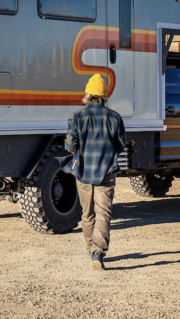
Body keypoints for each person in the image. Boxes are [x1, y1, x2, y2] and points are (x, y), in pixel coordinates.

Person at [62, 74, 126, 270]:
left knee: (87, 214)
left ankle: (91, 249)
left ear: (88, 95)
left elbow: (70, 146)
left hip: (83, 173)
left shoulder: (76, 116)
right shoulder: (115, 117)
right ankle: (98, 252)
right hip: (106, 173)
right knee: (103, 213)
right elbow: (121, 145)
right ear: (104, 97)